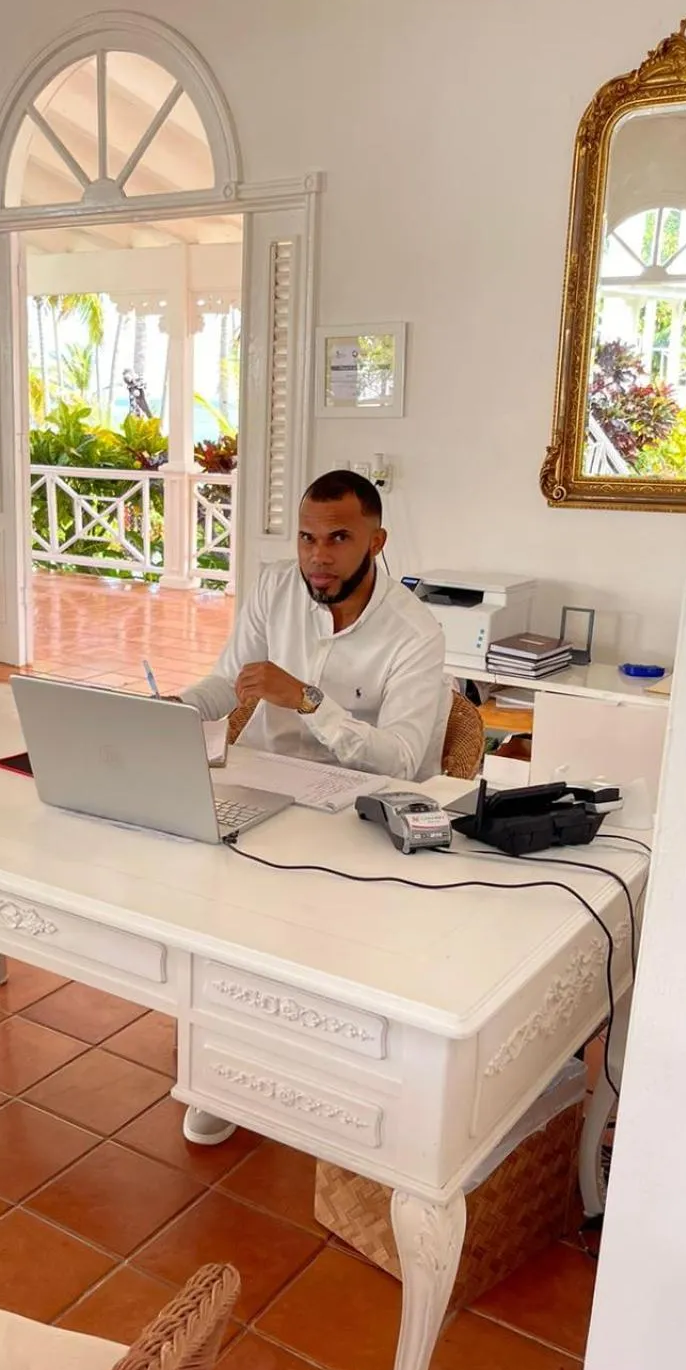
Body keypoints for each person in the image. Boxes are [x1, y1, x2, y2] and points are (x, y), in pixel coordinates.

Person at [177, 468, 449, 1145]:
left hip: (357, 815)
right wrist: (168, 713)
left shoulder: (416, 634)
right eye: (306, 538)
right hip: (264, 788)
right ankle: (221, 1071)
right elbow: (227, 682)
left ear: (376, 542)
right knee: (213, 917)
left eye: (337, 538)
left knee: (320, 940)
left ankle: (324, 1077)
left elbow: (405, 759)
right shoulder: (274, 588)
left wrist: (309, 701)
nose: (317, 557)